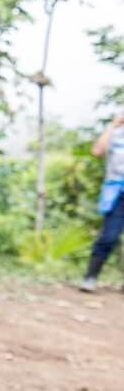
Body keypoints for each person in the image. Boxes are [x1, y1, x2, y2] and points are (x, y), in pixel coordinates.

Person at [80, 111, 124, 292]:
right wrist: (113, 125)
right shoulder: (115, 134)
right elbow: (97, 151)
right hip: (116, 194)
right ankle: (90, 277)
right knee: (109, 237)